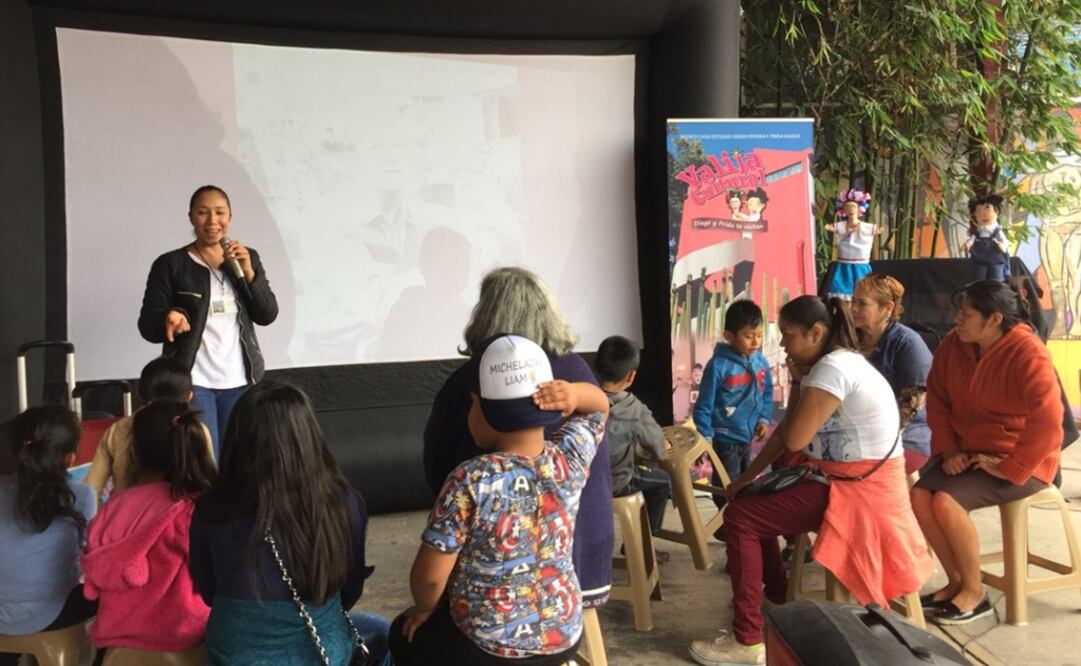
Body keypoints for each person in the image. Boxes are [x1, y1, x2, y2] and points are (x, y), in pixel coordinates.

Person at [689, 296, 931, 666]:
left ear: (816, 332)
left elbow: (796, 439)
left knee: (740, 519)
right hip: (847, 480)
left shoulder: (831, 369)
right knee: (747, 501)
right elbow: (788, 431)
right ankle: (774, 598)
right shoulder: (837, 363)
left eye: (788, 336)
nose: (783, 345)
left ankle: (748, 640)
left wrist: (797, 381)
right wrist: (748, 478)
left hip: (860, 492)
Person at [391, 335, 609, 665]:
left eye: (472, 404)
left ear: (487, 413)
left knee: (402, 635)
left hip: (488, 647)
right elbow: (601, 408)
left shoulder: (470, 480)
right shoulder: (570, 457)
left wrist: (424, 609)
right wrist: (575, 393)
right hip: (563, 635)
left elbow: (431, 576)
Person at [422, 267, 614, 609]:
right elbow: (600, 412)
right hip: (577, 566)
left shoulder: (470, 383)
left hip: (496, 594)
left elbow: (436, 468)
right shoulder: (578, 376)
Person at [189, 381, 389, 665]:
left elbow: (209, 592)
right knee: (381, 629)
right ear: (308, 438)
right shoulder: (343, 501)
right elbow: (350, 590)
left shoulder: (211, 508)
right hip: (323, 651)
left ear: (237, 440)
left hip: (235, 653)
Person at [912, 280, 1062, 625]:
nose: (956, 322)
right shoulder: (954, 345)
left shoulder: (1027, 351)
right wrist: (948, 451)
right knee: (920, 497)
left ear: (994, 319)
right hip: (968, 453)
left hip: (1021, 459)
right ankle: (958, 582)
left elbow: (1049, 423)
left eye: (965, 315)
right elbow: (937, 399)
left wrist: (1012, 465)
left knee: (946, 502)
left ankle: (976, 595)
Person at [138, 185, 279, 460]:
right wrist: (169, 317)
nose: (212, 221)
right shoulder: (171, 264)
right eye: (203, 213)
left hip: (241, 378)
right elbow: (147, 325)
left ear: (230, 216)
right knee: (205, 460)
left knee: (238, 461)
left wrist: (249, 273)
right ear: (191, 217)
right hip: (194, 379)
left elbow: (267, 314)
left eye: (219, 213)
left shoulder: (245, 257)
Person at [81, 401, 216, 659]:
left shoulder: (115, 506)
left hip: (118, 637)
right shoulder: (195, 508)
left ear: (135, 451)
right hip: (185, 634)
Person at [0, 406, 97, 666]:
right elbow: (85, 556)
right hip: (50, 613)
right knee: (105, 595)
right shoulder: (80, 495)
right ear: (71, 458)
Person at [85, 356, 214, 502]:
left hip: (127, 520)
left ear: (140, 393)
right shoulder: (195, 429)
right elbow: (209, 485)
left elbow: (90, 489)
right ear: (190, 396)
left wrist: (109, 517)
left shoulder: (118, 430)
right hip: (182, 522)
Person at [693, 300, 773, 513]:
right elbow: (703, 405)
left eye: (759, 334)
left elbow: (767, 392)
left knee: (747, 484)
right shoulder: (718, 366)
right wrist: (706, 436)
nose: (756, 341)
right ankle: (728, 524)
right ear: (729, 336)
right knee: (728, 487)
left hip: (747, 438)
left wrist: (764, 419)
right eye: (748, 336)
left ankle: (735, 525)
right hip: (725, 438)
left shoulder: (761, 362)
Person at [851, 274, 934, 474]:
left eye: (862, 303)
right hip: (861, 434)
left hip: (905, 439)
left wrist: (872, 439)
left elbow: (911, 405)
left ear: (887, 308)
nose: (853, 309)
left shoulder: (907, 343)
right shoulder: (852, 338)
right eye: (853, 301)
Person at [595, 335, 671, 538]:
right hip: (617, 483)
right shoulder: (634, 409)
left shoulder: (581, 397)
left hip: (586, 484)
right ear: (631, 376)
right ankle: (645, 546)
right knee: (663, 482)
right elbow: (658, 449)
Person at [824, 189, 881, 300]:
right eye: (848, 206)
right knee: (841, 290)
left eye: (853, 206)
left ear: (859, 208)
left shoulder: (866, 227)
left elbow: (874, 230)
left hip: (861, 263)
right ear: (843, 209)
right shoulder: (840, 226)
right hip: (844, 263)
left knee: (864, 291)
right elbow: (832, 227)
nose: (850, 209)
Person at [962, 194, 1010, 282]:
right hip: (980, 260)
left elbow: (1005, 242)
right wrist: (967, 245)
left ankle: (996, 292)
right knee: (979, 280)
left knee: (997, 280)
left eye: (987, 210)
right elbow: (971, 240)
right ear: (975, 215)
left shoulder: (997, 231)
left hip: (996, 260)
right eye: (979, 212)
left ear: (996, 212)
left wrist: (1001, 245)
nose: (983, 215)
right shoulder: (978, 232)